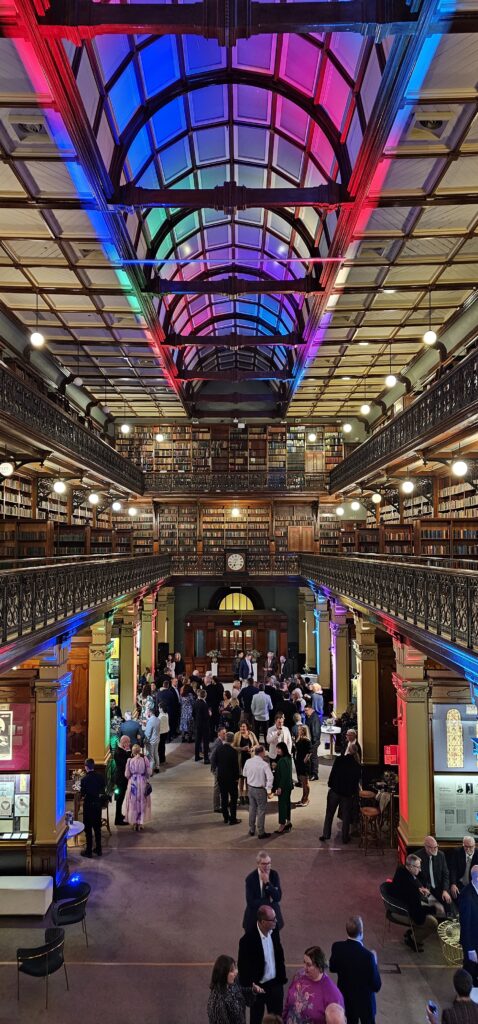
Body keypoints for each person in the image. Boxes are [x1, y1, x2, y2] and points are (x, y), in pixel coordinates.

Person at [238, 906, 287, 1024]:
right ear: (263, 922)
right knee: (256, 1019)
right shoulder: (247, 940)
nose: (276, 922)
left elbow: (279, 954)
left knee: (276, 1019)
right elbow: (243, 968)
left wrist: (281, 979)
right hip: (258, 988)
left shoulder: (274, 931)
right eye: (273, 920)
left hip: (275, 985)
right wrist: (252, 987)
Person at [329, 915, 382, 1024]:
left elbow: (332, 968)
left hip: (346, 1001)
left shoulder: (337, 947)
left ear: (347, 930)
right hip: (365, 1004)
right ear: (361, 932)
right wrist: (375, 963)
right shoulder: (368, 957)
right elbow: (376, 985)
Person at [389, 853, 438, 950]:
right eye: (418, 867)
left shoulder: (401, 869)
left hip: (400, 904)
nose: (420, 870)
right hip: (401, 911)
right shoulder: (410, 887)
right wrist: (433, 909)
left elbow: (420, 878)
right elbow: (418, 917)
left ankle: (412, 933)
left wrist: (420, 887)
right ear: (410, 866)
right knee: (433, 922)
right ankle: (413, 939)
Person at [283, 946, 344, 1024]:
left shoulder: (333, 994)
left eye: (309, 965)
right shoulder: (299, 975)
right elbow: (288, 1002)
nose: (304, 967)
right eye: (304, 962)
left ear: (319, 966)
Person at [319, 743, 361, 845]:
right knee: (346, 816)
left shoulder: (339, 760)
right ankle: (345, 837)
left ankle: (326, 834)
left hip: (335, 791)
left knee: (329, 814)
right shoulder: (357, 765)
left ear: (348, 750)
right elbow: (355, 782)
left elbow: (333, 773)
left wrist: (330, 784)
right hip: (347, 794)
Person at [207, 954, 264, 1024]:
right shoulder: (217, 1000)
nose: (236, 972)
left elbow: (240, 992)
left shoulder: (233, 983)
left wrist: (252, 990)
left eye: (235, 968)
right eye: (232, 970)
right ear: (223, 973)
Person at [243, 851, 283, 932]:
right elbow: (250, 902)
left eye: (269, 863)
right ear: (258, 864)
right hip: (255, 916)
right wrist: (269, 901)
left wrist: (267, 883)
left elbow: (277, 897)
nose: (267, 866)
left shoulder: (274, 875)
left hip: (272, 916)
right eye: (264, 864)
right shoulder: (250, 879)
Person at [416, 836, 452, 917]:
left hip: (439, 887)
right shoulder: (417, 857)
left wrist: (445, 890)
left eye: (436, 847)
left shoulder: (441, 855)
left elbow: (446, 874)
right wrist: (421, 887)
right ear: (426, 847)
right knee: (431, 911)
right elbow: (414, 877)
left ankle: (446, 923)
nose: (435, 849)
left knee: (448, 905)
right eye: (433, 848)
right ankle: (433, 925)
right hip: (426, 889)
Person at [243, 745, 273, 839]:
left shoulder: (248, 761)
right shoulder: (264, 764)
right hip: (260, 790)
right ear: (261, 753)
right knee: (261, 810)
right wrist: (269, 789)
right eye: (264, 752)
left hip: (250, 788)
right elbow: (270, 777)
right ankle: (261, 832)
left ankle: (252, 829)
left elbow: (244, 774)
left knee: (252, 808)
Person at [122, 743, 152, 831]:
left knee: (133, 803)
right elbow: (149, 772)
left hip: (133, 783)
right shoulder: (144, 759)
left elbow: (127, 774)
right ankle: (140, 823)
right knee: (142, 802)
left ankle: (134, 822)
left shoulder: (129, 760)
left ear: (132, 751)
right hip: (142, 781)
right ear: (140, 750)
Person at [80, 758, 104, 858]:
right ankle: (98, 849)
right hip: (98, 805)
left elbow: (82, 793)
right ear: (93, 766)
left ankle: (89, 851)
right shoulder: (100, 777)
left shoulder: (84, 779)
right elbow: (103, 788)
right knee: (97, 828)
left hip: (88, 806)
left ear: (86, 767)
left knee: (88, 829)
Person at [216, 731, 241, 825]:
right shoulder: (233, 751)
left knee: (224, 798)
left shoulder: (219, 749)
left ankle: (226, 818)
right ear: (233, 740)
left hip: (221, 777)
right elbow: (235, 767)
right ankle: (233, 819)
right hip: (231, 779)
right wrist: (237, 778)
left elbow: (216, 762)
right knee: (234, 799)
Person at [459, 865, 478, 984]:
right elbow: (465, 925)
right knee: (470, 972)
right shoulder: (467, 896)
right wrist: (470, 949)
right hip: (472, 944)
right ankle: (463, 998)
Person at [233, 722, 258, 806]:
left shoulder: (251, 734)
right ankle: (241, 795)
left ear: (247, 727)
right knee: (241, 778)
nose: (242, 729)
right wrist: (241, 749)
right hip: (241, 759)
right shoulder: (237, 735)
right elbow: (233, 747)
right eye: (240, 727)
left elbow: (257, 744)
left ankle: (247, 795)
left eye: (243, 727)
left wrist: (252, 748)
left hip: (250, 759)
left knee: (248, 778)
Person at [272, 741, 293, 835]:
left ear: (283, 749)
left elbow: (284, 776)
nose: (277, 750)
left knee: (282, 806)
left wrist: (279, 787)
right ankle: (288, 822)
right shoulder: (288, 758)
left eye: (279, 748)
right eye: (277, 748)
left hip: (283, 787)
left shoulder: (282, 760)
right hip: (288, 786)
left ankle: (282, 825)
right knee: (287, 804)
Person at [114, 735, 131, 826]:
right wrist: (128, 752)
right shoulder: (119, 752)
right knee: (119, 799)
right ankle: (117, 820)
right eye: (128, 742)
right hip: (121, 779)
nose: (129, 744)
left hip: (121, 778)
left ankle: (119, 815)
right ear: (124, 742)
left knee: (121, 798)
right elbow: (126, 763)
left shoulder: (120, 751)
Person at [210, 726, 227, 813]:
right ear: (219, 733)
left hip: (219, 768)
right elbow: (212, 757)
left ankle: (219, 804)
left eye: (225, 733)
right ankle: (216, 806)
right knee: (217, 787)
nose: (225, 734)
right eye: (223, 733)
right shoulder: (218, 743)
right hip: (217, 768)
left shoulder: (221, 742)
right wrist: (214, 768)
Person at [294, 724, 312, 806]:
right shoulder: (299, 739)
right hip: (299, 761)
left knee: (305, 782)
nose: (298, 731)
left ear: (304, 731)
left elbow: (310, 751)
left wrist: (306, 758)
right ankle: (303, 798)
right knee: (302, 782)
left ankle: (306, 799)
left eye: (300, 730)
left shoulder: (307, 740)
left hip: (304, 763)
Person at [304, 702, 321, 780]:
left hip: (314, 741)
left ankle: (314, 774)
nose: (305, 712)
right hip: (311, 741)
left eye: (306, 710)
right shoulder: (310, 716)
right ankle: (311, 773)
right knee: (311, 757)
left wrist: (313, 743)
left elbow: (315, 732)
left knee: (313, 757)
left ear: (311, 709)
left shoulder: (314, 719)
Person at [193, 688, 211, 763]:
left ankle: (196, 756)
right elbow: (206, 716)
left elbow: (193, 714)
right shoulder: (204, 704)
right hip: (204, 726)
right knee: (205, 742)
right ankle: (206, 759)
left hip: (197, 724)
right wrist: (209, 714)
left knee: (197, 741)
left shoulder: (196, 702)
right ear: (205, 696)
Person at [143, 707, 160, 773]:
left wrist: (145, 741)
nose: (146, 713)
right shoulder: (157, 719)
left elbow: (148, 734)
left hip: (151, 741)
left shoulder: (150, 721)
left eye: (147, 711)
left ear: (150, 712)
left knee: (151, 757)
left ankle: (150, 772)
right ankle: (157, 767)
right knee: (156, 753)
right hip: (157, 739)